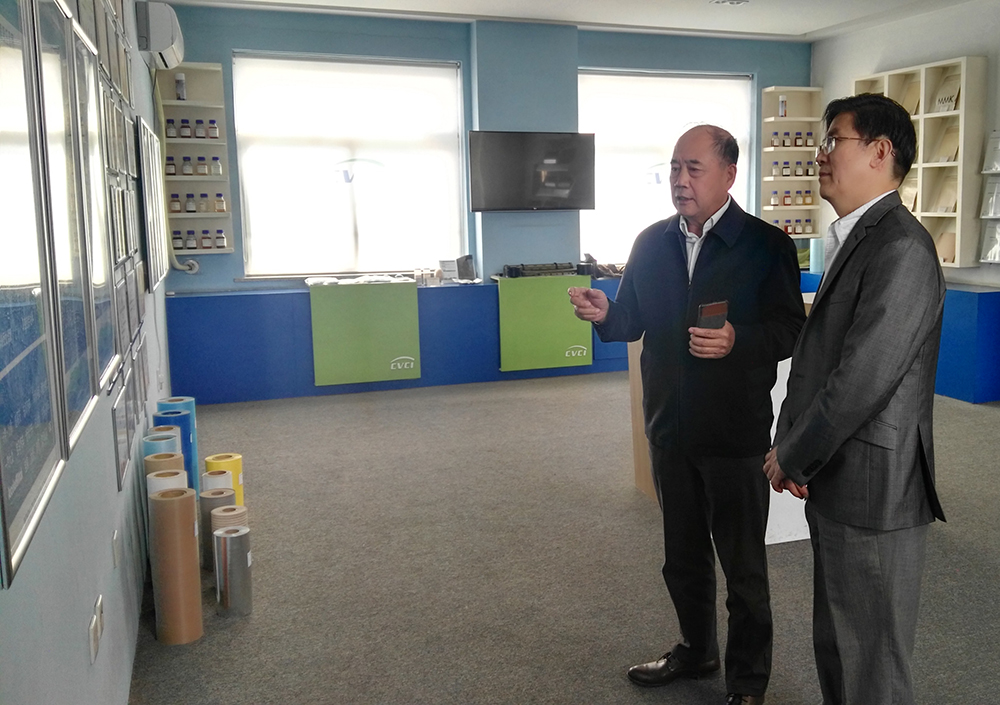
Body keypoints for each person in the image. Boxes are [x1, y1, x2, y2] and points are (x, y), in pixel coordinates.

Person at [569, 125, 805, 705]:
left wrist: (738, 339)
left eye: (694, 169)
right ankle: (697, 651)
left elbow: (790, 330)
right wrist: (605, 313)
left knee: (744, 571)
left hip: (734, 435)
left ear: (729, 174)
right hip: (670, 430)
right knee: (682, 559)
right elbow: (632, 321)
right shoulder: (651, 243)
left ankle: (747, 682)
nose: (680, 180)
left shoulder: (766, 245)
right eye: (675, 167)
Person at [763, 94, 946, 705]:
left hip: (875, 490)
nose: (819, 155)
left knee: (872, 662)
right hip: (843, 478)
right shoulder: (859, 237)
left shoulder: (901, 247)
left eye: (833, 140)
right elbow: (821, 361)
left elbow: (861, 380)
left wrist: (793, 454)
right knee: (840, 646)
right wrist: (793, 444)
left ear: (879, 151)